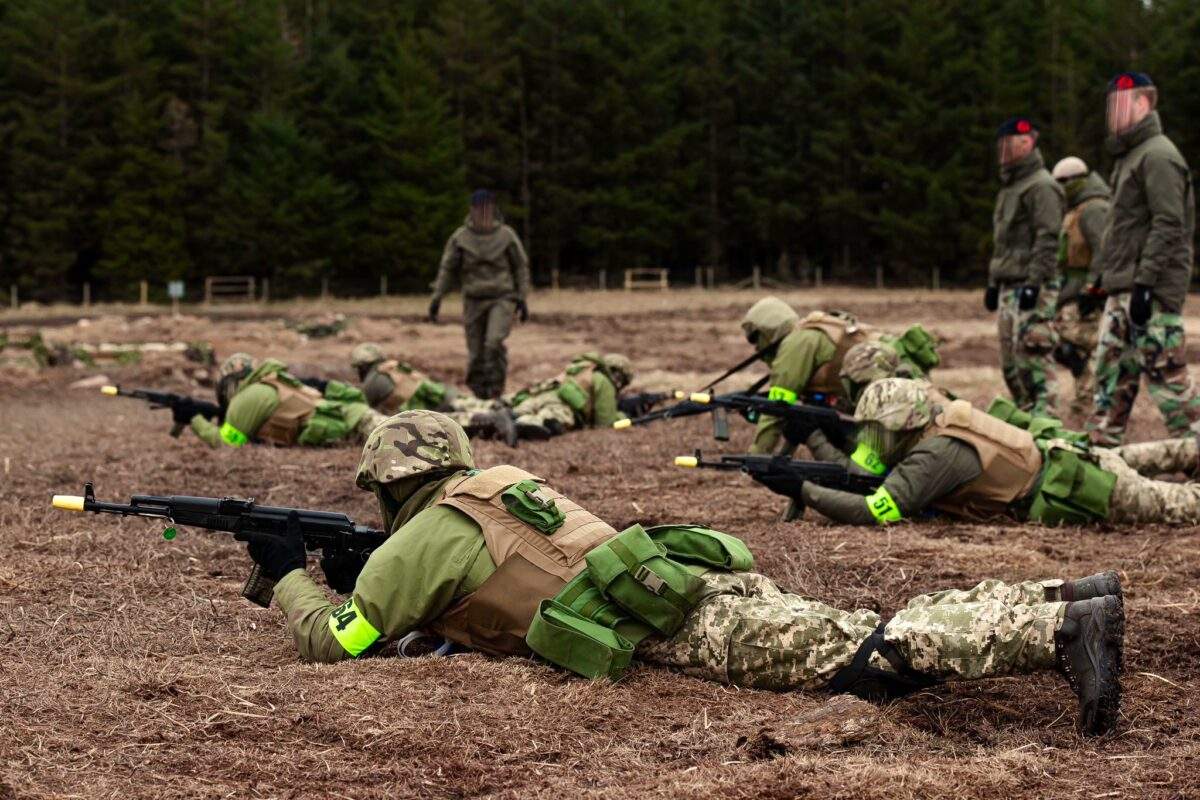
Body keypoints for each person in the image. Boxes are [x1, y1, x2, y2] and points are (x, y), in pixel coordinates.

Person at [234, 410, 1124, 736]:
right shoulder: (498, 486)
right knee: (855, 622)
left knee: (856, 652)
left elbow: (339, 643)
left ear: (391, 487)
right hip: (683, 581)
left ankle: (1057, 629)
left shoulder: (422, 536)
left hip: (681, 620)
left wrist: (286, 576)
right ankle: (1060, 597)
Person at [799, 378, 1200, 528]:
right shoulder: (937, 425)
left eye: (877, 431)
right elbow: (862, 472)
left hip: (1077, 485)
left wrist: (805, 491)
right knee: (1154, 457)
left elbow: (874, 510)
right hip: (1066, 459)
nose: (871, 441)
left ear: (902, 424)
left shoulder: (935, 455)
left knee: (1181, 504)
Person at [1086, 72, 1200, 446]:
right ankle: (1102, 461)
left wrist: (1146, 284)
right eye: (1111, 105)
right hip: (1125, 287)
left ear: (1144, 104)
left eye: (1124, 103)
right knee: (1111, 378)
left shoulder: (1159, 155)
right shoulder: (1130, 156)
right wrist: (1103, 279)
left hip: (1148, 289)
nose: (1115, 114)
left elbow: (1169, 224)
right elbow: (1122, 229)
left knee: (1170, 384)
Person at [986, 117, 1064, 417]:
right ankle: (1029, 423)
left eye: (1011, 144)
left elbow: (1047, 238)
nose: (1004, 151)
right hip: (1009, 285)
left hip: (1034, 285)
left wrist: (1035, 282)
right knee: (1011, 365)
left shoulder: (1042, 186)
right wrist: (993, 283)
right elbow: (1003, 241)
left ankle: (1049, 427)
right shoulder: (1009, 188)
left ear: (1028, 143)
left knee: (1034, 361)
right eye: (1001, 145)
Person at [428, 190, 531, 400]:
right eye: (478, 209)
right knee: (475, 354)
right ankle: (479, 393)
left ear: (494, 210)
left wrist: (522, 296)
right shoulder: (460, 237)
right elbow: (448, 268)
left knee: (493, 343)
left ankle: (495, 390)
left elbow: (520, 266)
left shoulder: (506, 236)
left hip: (502, 297)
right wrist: (437, 297)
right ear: (471, 210)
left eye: (488, 209)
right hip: (473, 299)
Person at [741, 298, 870, 454]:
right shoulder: (811, 332)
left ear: (768, 331)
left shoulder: (797, 343)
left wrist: (756, 455)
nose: (756, 347)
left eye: (755, 338)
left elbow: (776, 407)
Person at [189, 353, 386, 448]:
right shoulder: (270, 384)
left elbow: (228, 442)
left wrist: (195, 419)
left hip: (356, 423)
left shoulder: (248, 395)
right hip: (354, 418)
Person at [349, 343, 517, 446]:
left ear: (362, 366)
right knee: (470, 406)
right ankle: (510, 415)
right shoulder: (395, 367)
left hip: (421, 409)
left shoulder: (371, 381)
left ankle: (492, 419)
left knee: (447, 423)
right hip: (438, 395)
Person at [1050, 157, 1111, 418]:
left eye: (1062, 182)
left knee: (1089, 345)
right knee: (1065, 345)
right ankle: (1087, 399)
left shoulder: (1094, 209)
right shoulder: (1076, 210)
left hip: (1086, 291)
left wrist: (1093, 288)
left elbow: (1103, 249)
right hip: (1071, 290)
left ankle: (1093, 402)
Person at [505, 352, 634, 439]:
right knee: (537, 423)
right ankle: (512, 425)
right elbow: (605, 423)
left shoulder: (584, 369)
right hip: (563, 408)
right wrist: (622, 416)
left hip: (546, 396)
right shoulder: (605, 383)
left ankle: (500, 417)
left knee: (515, 412)